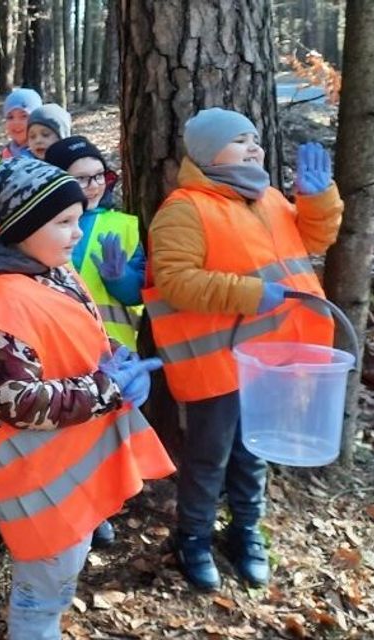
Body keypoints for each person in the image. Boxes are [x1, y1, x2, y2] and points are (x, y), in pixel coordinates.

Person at [0, 157, 175, 639]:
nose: (77, 233)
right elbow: (18, 402)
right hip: (36, 480)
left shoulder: (52, 269)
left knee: (59, 571)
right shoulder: (1, 300)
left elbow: (83, 333)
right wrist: (109, 386)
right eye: (64, 223)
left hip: (66, 471)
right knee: (45, 583)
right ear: (24, 227)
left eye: (77, 220)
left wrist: (120, 359)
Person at [144, 108, 343, 591]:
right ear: (208, 153)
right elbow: (176, 281)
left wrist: (318, 201)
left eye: (255, 138)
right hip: (216, 363)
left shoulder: (269, 197)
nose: (254, 146)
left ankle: (245, 533)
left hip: (270, 358)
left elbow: (316, 239)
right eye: (239, 140)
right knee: (209, 454)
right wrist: (252, 295)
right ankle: (192, 538)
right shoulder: (184, 208)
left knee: (253, 451)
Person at [46, 135, 145, 352]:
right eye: (81, 179)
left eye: (99, 176)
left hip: (114, 350)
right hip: (58, 347)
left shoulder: (126, 226)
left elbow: (137, 294)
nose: (93, 186)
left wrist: (120, 278)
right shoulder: (40, 229)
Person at [0, 87, 42, 160]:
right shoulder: (7, 153)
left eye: (24, 116)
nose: (16, 123)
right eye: (10, 117)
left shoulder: (44, 152)